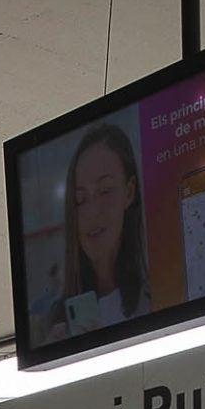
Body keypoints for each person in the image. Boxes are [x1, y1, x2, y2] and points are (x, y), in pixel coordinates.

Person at [59, 122, 148, 335]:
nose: (92, 212)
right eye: (80, 199)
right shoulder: (54, 320)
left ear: (129, 192)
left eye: (105, 190)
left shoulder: (159, 298)